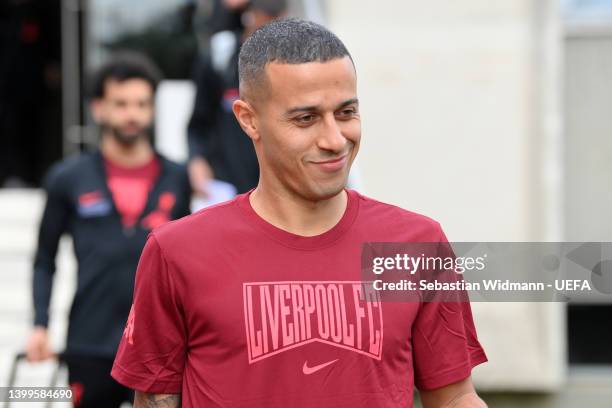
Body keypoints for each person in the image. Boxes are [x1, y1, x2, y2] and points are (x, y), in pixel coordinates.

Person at [112, 19, 488, 408]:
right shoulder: (178, 252)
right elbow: (156, 400)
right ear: (248, 119)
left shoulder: (415, 245)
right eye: (305, 118)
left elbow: (454, 397)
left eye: (345, 112)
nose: (334, 139)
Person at [25, 53, 192, 408]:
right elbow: (44, 258)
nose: (132, 114)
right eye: (121, 104)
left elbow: (188, 264)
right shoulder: (67, 178)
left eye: (142, 104)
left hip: (159, 345)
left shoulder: (177, 178)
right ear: (99, 108)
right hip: (90, 341)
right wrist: (40, 324)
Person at [187, 0, 287, 196]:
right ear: (248, 16)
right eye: (263, 19)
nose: (268, 29)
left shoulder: (294, 63)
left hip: (276, 189)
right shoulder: (220, 57)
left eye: (276, 21)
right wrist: (197, 160)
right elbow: (199, 123)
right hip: (225, 184)